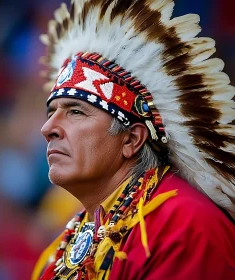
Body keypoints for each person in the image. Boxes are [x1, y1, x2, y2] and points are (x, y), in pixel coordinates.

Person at [32, 0, 235, 279]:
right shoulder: (63, 245)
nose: (48, 128)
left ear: (131, 140)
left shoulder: (184, 228)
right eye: (51, 112)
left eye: (76, 112)